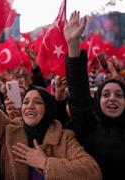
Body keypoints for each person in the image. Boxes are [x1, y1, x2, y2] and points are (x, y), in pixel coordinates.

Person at [0, 36, 102, 180]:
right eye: (25, 102)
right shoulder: (10, 130)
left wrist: (44, 163)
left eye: (37, 102)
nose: (29, 106)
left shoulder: (64, 137)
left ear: (48, 109)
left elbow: (92, 172)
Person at [64, 10, 125, 180]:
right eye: (105, 94)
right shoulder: (88, 125)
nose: (112, 98)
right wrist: (73, 45)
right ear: (97, 101)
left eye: (119, 95)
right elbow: (78, 91)